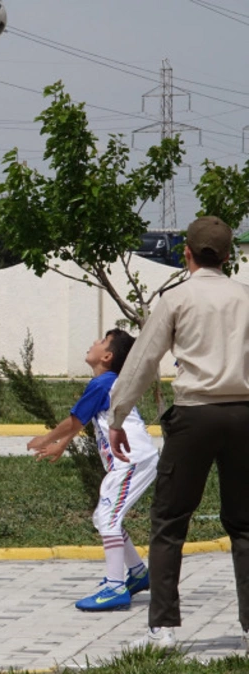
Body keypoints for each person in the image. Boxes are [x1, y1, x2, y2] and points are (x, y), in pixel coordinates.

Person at [108, 216, 249, 648]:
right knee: (245, 525)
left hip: (193, 417)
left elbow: (143, 360)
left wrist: (117, 416)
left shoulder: (176, 299)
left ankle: (164, 627)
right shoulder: (246, 297)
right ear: (229, 256)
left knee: (170, 520)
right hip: (243, 417)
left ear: (185, 253)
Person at [27, 329, 155, 611]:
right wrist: (62, 444)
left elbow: (74, 421)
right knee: (105, 517)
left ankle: (115, 588)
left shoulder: (103, 383)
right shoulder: (106, 383)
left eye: (102, 341)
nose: (94, 343)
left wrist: (47, 439)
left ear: (107, 356)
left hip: (132, 460)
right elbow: (83, 420)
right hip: (133, 460)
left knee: (108, 518)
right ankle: (137, 573)